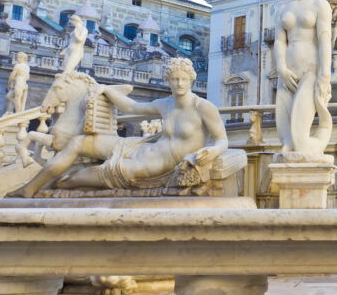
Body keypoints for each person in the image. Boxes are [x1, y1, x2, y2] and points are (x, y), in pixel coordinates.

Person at [12, 58, 227, 195]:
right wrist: (103, 88)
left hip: (149, 168)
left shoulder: (204, 107)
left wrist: (213, 150)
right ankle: (29, 188)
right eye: (175, 79)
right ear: (168, 81)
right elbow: (131, 106)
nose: (179, 84)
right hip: (136, 147)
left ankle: (50, 188)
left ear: (191, 81)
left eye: (183, 79)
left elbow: (222, 140)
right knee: (78, 142)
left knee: (72, 180)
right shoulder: (166, 104)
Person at [274, 0, 333, 159]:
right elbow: (280, 41)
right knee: (284, 130)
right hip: (288, 71)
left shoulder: (320, 5)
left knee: (299, 135)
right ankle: (293, 150)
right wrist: (281, 68)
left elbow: (325, 39)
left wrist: (325, 74)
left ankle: (312, 145)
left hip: (311, 69)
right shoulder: (282, 9)